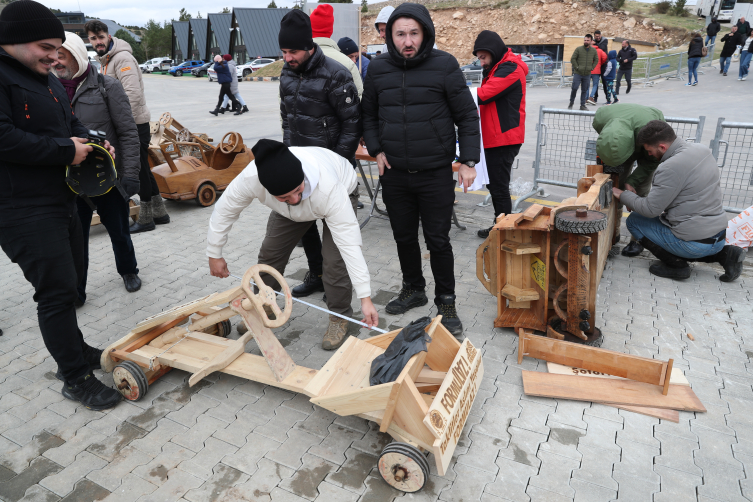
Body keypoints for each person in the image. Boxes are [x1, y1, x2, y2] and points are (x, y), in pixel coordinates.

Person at [0, 1, 121, 410]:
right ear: (12, 41)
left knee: (69, 286)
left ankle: (76, 349)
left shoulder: (48, 79)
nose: (55, 55)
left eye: (57, 47)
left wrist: (92, 139)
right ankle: (74, 377)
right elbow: (4, 138)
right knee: (53, 293)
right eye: (45, 46)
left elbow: (69, 125)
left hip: (61, 198)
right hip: (20, 208)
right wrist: (65, 150)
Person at [361, 3, 480, 336]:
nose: (407, 40)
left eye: (414, 33)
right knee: (402, 236)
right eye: (400, 34)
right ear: (390, 36)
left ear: (425, 33)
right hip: (395, 173)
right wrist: (376, 149)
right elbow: (367, 115)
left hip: (435, 173)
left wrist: (468, 161)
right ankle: (413, 288)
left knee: (437, 240)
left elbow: (467, 117)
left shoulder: (444, 65)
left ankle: (446, 302)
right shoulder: (379, 68)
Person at [207, 140, 379, 350]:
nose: (296, 199)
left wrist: (366, 298)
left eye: (298, 190)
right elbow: (225, 210)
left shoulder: (329, 187)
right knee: (270, 252)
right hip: (286, 212)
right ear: (268, 190)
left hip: (339, 190)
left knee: (334, 261)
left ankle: (340, 317)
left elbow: (350, 245)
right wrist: (214, 253)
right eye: (285, 196)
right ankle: (265, 306)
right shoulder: (251, 178)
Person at [276, 9, 362, 346]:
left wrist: (334, 166)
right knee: (281, 244)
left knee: (336, 254)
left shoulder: (337, 74)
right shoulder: (286, 73)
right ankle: (270, 302)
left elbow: (352, 124)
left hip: (332, 177)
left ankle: (340, 316)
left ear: (309, 46)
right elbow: (287, 121)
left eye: (292, 52)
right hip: (298, 178)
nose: (287, 58)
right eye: (283, 52)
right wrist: (286, 161)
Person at [53, 32, 143, 303]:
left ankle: (128, 270)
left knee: (119, 230)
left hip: (108, 177)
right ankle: (77, 290)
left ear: (78, 55)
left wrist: (130, 176)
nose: (55, 61)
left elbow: (128, 133)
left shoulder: (107, 86)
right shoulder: (48, 90)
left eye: (61, 54)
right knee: (75, 239)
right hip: (72, 181)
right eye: (52, 55)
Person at [614, 121, 746, 282]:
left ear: (662, 147)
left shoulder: (669, 167)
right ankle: (725, 254)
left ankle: (676, 266)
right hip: (718, 237)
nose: (649, 155)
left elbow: (650, 210)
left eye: (650, 151)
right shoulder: (702, 150)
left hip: (695, 244)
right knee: (665, 222)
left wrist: (622, 194)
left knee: (635, 221)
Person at [86, 20, 170, 233]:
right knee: (144, 167)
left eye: (101, 37)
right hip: (131, 123)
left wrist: (123, 125)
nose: (98, 42)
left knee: (137, 169)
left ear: (109, 37)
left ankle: (146, 218)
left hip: (134, 124)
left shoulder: (121, 58)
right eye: (94, 38)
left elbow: (132, 94)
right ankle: (160, 213)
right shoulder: (106, 60)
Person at [472, 30, 528, 238]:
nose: (481, 63)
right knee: (494, 184)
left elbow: (484, 95)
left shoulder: (510, 68)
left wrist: (452, 92)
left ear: (492, 51)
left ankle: (503, 230)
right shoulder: (498, 67)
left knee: (499, 186)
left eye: (483, 57)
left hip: (504, 138)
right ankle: (500, 224)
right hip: (495, 137)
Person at [592, 104, 665, 256]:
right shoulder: (600, 119)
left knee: (641, 192)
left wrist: (632, 182)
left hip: (646, 142)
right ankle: (614, 232)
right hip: (623, 138)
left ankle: (637, 240)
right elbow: (609, 141)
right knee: (615, 187)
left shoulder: (652, 134)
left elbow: (652, 162)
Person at [310, 4, 363, 98]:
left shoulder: (298, 59)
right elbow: (359, 95)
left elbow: (284, 97)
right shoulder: (347, 63)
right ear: (330, 30)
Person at [568, 34, 598, 110]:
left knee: (584, 90)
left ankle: (582, 105)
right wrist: (577, 67)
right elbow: (573, 59)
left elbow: (596, 60)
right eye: (585, 40)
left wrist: (592, 67)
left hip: (587, 74)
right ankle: (571, 103)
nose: (586, 41)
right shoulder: (578, 49)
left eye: (588, 40)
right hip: (578, 73)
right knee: (574, 88)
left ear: (591, 41)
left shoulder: (593, 50)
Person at [586, 39, 606, 105]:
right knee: (595, 85)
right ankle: (591, 97)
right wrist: (600, 63)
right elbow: (605, 57)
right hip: (596, 70)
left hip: (588, 70)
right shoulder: (600, 50)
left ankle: (586, 98)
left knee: (587, 85)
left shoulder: (587, 50)